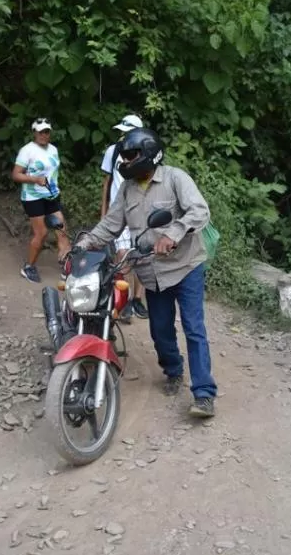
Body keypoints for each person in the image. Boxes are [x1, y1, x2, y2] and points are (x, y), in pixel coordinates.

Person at [74, 127, 217, 418]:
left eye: (131, 156)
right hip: (152, 271)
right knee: (160, 330)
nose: (125, 162)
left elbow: (200, 211)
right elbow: (111, 225)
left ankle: (204, 394)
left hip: (186, 266)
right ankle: (174, 370)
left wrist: (173, 234)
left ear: (150, 153)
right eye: (123, 158)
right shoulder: (127, 190)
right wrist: (85, 241)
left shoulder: (175, 178)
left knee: (194, 328)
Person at [99, 114, 148, 322]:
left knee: (142, 256)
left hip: (141, 209)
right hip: (119, 210)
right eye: (122, 132)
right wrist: (104, 211)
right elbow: (107, 182)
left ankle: (137, 299)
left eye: (127, 132)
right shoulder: (114, 151)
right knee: (122, 255)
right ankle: (124, 299)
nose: (123, 136)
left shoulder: (147, 152)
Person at [12, 117, 70, 283]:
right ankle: (28, 267)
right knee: (42, 233)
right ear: (34, 133)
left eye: (47, 131)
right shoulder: (27, 150)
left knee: (62, 231)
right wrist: (35, 179)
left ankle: (67, 270)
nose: (44, 135)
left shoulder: (53, 149)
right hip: (32, 197)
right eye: (41, 132)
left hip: (51, 195)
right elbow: (16, 175)